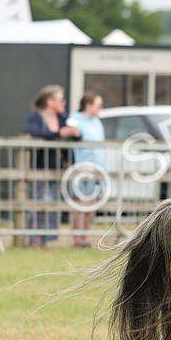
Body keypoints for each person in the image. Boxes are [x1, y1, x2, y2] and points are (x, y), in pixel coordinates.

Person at [23, 85, 80, 247]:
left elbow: (77, 136)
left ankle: (46, 240)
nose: (64, 103)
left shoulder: (63, 118)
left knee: (53, 206)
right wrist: (58, 133)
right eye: (61, 100)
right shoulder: (36, 117)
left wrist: (75, 133)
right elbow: (31, 132)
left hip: (59, 170)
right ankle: (34, 240)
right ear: (50, 101)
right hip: (39, 169)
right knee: (38, 204)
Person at [69, 92, 106, 246]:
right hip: (82, 167)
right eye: (98, 105)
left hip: (97, 168)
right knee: (79, 204)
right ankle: (78, 238)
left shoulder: (97, 122)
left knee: (91, 204)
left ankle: (85, 237)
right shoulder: (74, 120)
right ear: (88, 105)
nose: (101, 108)